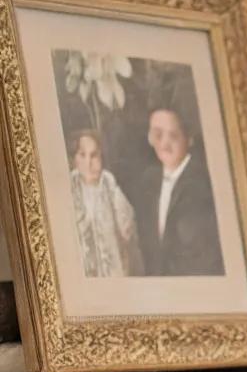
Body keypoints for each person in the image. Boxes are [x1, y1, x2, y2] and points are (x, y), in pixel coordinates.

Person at [136, 106, 225, 276]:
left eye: (174, 135)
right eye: (157, 135)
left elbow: (207, 254)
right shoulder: (148, 181)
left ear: (189, 138)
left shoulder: (204, 183)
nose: (164, 144)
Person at [69, 129, 142, 278]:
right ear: (75, 158)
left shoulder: (110, 186)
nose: (88, 162)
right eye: (82, 155)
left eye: (94, 155)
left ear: (102, 157)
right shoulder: (70, 187)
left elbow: (128, 232)